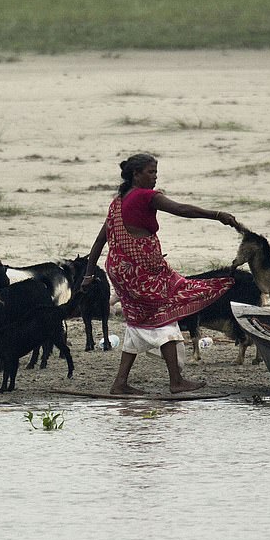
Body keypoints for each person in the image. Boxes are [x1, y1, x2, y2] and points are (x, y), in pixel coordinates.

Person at [81, 153, 241, 394]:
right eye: (150, 172)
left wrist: (88, 274)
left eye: (156, 172)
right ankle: (176, 381)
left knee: (138, 322)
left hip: (121, 271)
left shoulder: (118, 202)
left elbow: (100, 241)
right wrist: (217, 215)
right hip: (141, 273)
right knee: (164, 316)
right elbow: (180, 209)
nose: (155, 177)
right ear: (136, 174)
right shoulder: (146, 196)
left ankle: (120, 383)